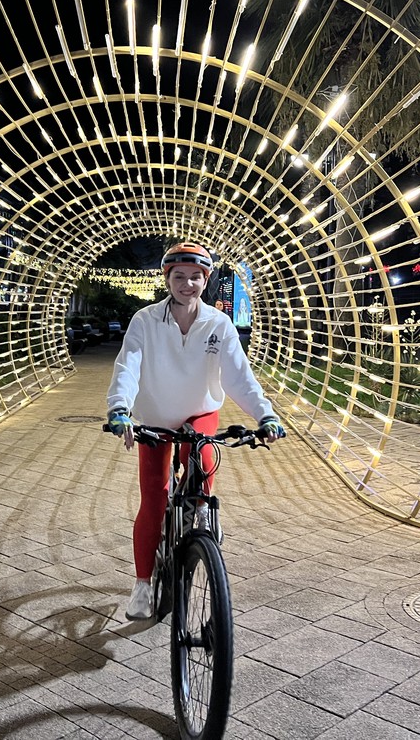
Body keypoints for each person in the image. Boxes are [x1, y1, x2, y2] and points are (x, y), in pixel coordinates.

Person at [105, 242, 285, 620]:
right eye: (179, 277)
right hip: (155, 416)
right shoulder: (145, 321)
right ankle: (142, 584)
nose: (187, 284)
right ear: (167, 279)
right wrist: (119, 408)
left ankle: (201, 512)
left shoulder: (218, 323)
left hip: (200, 410)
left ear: (206, 280)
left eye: (195, 277)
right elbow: (128, 365)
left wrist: (265, 415)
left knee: (203, 458)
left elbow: (239, 377)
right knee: (153, 499)